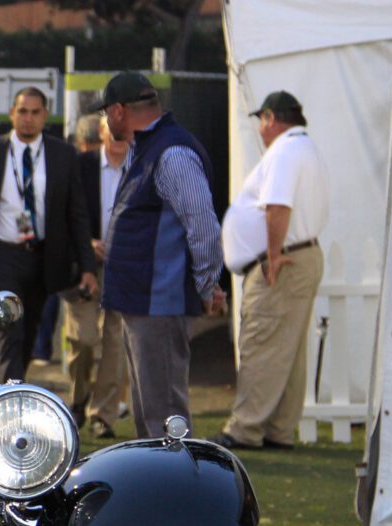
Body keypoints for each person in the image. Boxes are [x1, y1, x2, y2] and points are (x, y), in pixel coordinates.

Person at [97, 71, 225, 439]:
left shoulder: (171, 152)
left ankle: (174, 492)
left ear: (119, 111)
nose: (106, 121)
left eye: (107, 113)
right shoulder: (152, 149)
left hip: (160, 304)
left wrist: (206, 285)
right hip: (144, 303)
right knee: (150, 414)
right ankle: (159, 487)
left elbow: (203, 225)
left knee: (165, 418)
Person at [211, 91, 329, 451]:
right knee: (288, 350)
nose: (260, 129)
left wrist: (273, 255)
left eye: (261, 120)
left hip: (283, 259)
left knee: (262, 343)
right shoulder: (304, 148)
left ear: (270, 118)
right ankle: (278, 429)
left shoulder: (285, 151)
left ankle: (244, 429)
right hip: (301, 255)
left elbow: (277, 206)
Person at [0, 86, 98, 382]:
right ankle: (10, 395)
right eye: (22, 111)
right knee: (11, 326)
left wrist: (88, 266)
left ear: (45, 116)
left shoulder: (63, 154)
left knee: (31, 329)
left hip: (44, 255)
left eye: (35, 112)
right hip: (2, 253)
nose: (28, 118)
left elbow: (77, 215)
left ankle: (15, 384)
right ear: (12, 114)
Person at [63, 111, 131, 439]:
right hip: (83, 267)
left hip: (124, 268)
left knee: (115, 342)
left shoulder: (144, 169)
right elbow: (62, 213)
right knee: (84, 338)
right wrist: (86, 244)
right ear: (102, 133)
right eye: (113, 132)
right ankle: (78, 399)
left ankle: (103, 416)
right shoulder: (82, 166)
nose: (119, 139)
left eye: (124, 133)